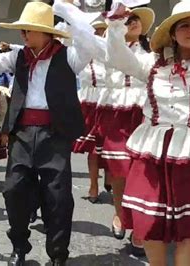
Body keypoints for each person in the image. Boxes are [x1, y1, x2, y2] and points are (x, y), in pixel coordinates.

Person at [0, 0, 101, 264]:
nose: (23, 34)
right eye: (23, 30)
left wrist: (66, 10)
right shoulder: (18, 56)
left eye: (28, 29)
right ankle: (19, 246)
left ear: (46, 32)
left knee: (58, 197)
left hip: (54, 135)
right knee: (14, 190)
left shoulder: (69, 56)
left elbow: (88, 41)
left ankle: (57, 255)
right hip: (21, 134)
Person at [105, 1, 190, 265]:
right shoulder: (153, 64)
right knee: (147, 223)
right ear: (172, 32)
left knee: (189, 229)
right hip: (152, 152)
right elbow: (118, 58)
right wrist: (115, 25)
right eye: (185, 25)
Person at [95, 6, 154, 256]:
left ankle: (140, 228)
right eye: (129, 19)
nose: (133, 23)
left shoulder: (155, 53)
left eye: (137, 20)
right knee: (118, 169)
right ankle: (119, 212)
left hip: (144, 113)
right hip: (117, 112)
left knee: (142, 174)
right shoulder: (109, 49)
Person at [72, 20, 109, 203]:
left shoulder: (113, 53)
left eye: (103, 30)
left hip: (109, 102)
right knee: (93, 148)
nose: (100, 34)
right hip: (88, 103)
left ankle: (110, 176)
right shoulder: (82, 54)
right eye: (97, 31)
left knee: (111, 145)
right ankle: (93, 185)